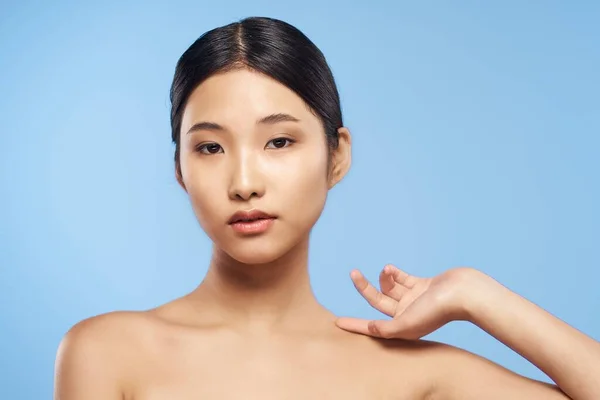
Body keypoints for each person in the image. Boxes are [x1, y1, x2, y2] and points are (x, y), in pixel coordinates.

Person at [53, 16, 600, 400]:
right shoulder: (105, 352)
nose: (244, 183)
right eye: (210, 147)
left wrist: (479, 296)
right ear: (179, 170)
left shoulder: (414, 373)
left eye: (280, 142)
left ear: (337, 158)